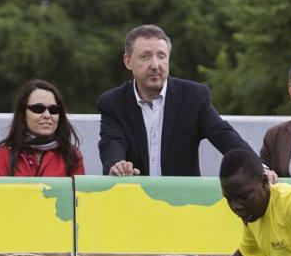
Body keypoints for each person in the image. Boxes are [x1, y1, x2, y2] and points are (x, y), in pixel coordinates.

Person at [97, 24, 253, 177]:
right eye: (145, 57)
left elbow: (223, 135)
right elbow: (112, 143)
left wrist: (257, 167)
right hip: (135, 198)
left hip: (182, 200)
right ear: (128, 61)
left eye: (161, 56)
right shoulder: (112, 103)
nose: (155, 65)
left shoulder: (194, 97)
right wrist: (117, 165)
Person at [0, 80, 84, 177]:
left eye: (54, 110)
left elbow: (81, 192)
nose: (47, 115)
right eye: (38, 109)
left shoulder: (72, 156)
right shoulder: (3, 156)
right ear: (23, 114)